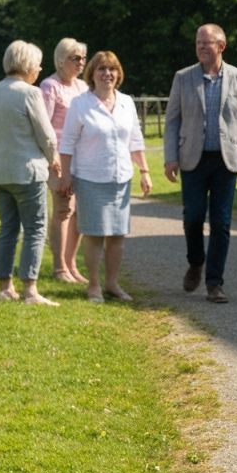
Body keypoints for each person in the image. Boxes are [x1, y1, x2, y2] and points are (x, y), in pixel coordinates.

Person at [163, 24, 237, 304]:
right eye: (198, 43)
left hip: (226, 162)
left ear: (221, 46)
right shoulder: (183, 78)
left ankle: (214, 283)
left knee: (221, 223)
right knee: (192, 218)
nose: (202, 47)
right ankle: (196, 261)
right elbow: (172, 122)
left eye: (207, 43)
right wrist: (171, 157)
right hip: (192, 159)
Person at [59, 51, 152, 302]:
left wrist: (144, 171)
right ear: (92, 74)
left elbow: (135, 139)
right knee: (95, 235)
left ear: (118, 74)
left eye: (112, 69)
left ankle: (112, 283)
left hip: (121, 179)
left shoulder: (126, 102)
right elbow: (67, 142)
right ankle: (93, 285)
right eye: (101, 69)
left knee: (118, 235)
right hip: (90, 179)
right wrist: (66, 175)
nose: (107, 74)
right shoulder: (80, 104)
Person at [0, 40, 61, 306]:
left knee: (8, 228)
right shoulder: (30, 93)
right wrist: (54, 158)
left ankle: (5, 287)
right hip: (27, 171)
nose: (39, 69)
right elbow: (46, 134)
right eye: (38, 64)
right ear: (28, 65)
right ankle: (30, 290)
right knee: (36, 228)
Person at [40, 38, 89, 283]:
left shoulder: (82, 87)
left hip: (83, 159)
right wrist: (53, 159)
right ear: (61, 60)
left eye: (82, 57)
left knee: (79, 212)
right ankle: (59, 267)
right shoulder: (50, 87)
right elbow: (43, 127)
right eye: (75, 58)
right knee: (63, 209)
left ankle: (71, 264)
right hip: (59, 159)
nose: (81, 62)